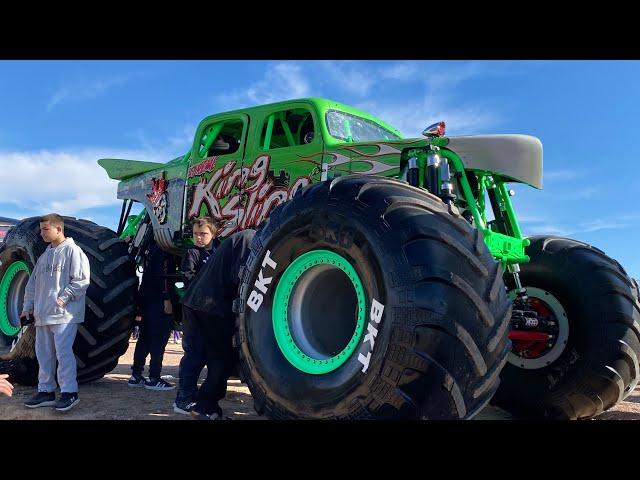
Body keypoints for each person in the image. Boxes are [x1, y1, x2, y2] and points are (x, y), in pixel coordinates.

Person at [180, 228, 256, 420]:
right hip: (210, 306)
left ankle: (197, 402)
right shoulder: (250, 239)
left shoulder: (240, 238)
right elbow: (242, 278)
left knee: (203, 355)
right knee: (220, 359)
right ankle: (205, 406)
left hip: (199, 303)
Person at [20, 213, 90, 411]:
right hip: (42, 315)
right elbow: (31, 286)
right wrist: (27, 308)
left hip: (63, 314)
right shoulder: (43, 257)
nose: (42, 233)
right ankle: (46, 391)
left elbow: (82, 280)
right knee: (44, 355)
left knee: (63, 354)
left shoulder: (73, 252)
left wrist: (63, 298)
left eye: (45, 229)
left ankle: (69, 393)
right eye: (41, 229)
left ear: (58, 229)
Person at [173, 216, 221, 414]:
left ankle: (195, 396)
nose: (199, 238)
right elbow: (188, 277)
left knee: (209, 355)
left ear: (213, 234)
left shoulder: (219, 252)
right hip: (195, 310)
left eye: (203, 234)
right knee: (194, 354)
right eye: (196, 234)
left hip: (213, 311)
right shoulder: (192, 253)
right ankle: (183, 398)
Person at [128, 240, 178, 390]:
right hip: (158, 302)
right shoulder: (165, 251)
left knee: (144, 338)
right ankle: (154, 378)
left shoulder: (151, 249)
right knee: (159, 339)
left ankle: (136, 375)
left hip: (146, 300)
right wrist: (166, 299)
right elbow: (163, 276)